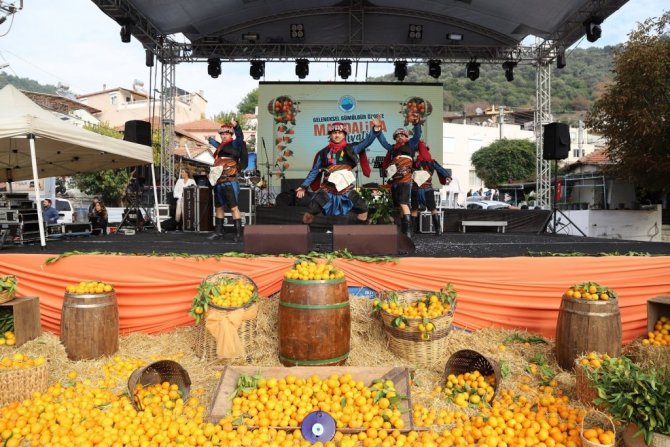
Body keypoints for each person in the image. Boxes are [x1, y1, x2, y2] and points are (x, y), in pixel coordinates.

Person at [295, 121, 379, 225]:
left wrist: (376, 129)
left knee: (363, 209)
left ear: (344, 135)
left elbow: (367, 142)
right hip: (328, 190)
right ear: (330, 135)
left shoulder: (352, 148)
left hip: (346, 190)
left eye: (340, 133)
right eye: (334, 133)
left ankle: (357, 232)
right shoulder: (323, 153)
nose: (337, 135)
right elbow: (314, 171)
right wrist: (303, 186)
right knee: (310, 213)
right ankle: (303, 232)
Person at [376, 113, 423, 238]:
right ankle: (404, 231)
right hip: (395, 179)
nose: (399, 137)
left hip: (405, 178)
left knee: (403, 203)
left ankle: (408, 233)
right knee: (399, 206)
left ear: (407, 137)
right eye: (397, 136)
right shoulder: (392, 149)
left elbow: (417, 135)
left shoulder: (411, 144)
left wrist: (416, 123)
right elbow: (383, 142)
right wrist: (378, 130)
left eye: (402, 135)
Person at [207, 120, 248, 241]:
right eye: (222, 134)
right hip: (218, 181)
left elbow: (240, 137)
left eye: (226, 134)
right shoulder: (220, 147)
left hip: (230, 181)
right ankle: (218, 233)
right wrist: (210, 140)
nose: (224, 136)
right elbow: (216, 144)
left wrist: (237, 126)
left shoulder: (235, 144)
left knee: (234, 207)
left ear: (231, 134)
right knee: (218, 207)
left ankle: (238, 234)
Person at [410, 141, 452, 235]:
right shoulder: (413, 162)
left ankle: (438, 230)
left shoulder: (431, 162)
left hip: (426, 189)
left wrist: (447, 176)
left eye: (419, 150)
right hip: (416, 188)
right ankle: (412, 231)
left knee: (432, 208)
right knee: (415, 208)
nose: (418, 152)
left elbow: (440, 169)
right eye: (417, 151)